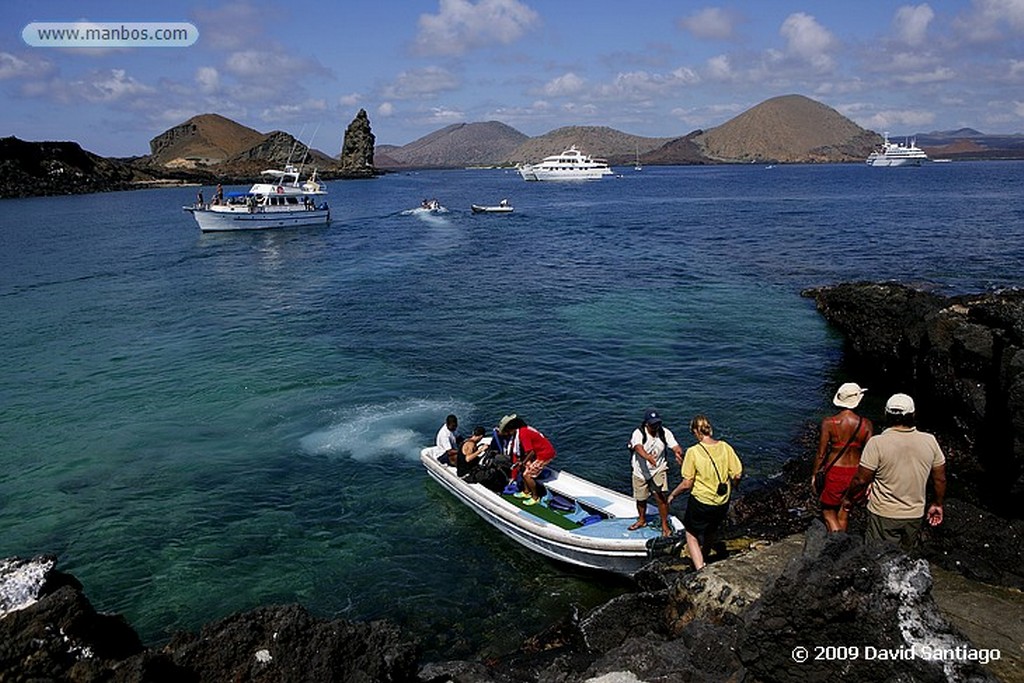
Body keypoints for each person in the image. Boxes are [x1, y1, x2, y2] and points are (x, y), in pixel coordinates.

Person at [842, 393, 946, 552]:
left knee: (878, 558)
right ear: (913, 414)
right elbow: (940, 479)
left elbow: (861, 480)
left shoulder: (877, 443)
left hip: (883, 513)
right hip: (914, 514)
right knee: (905, 560)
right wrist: (937, 503)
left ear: (886, 414)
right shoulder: (930, 441)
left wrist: (849, 498)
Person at [668, 414, 742, 571]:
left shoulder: (693, 452)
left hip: (701, 501)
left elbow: (687, 483)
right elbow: (737, 474)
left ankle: (700, 568)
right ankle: (705, 556)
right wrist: (734, 486)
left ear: (696, 431)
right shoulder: (725, 446)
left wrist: (673, 494)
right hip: (722, 500)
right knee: (711, 530)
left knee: (691, 534)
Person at [812, 382, 874, 532]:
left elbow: (821, 453)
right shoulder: (866, 424)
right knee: (845, 509)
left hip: (835, 471)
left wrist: (814, 474)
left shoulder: (829, 423)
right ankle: (842, 541)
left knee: (828, 511)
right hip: (857, 471)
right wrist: (871, 479)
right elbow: (871, 453)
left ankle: (836, 542)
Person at [627, 409, 683, 537]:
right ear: (646, 423)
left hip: (658, 469)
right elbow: (637, 447)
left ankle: (664, 525)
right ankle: (641, 520)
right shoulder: (638, 433)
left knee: (661, 497)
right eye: (652, 424)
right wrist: (647, 457)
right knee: (641, 498)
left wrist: (678, 452)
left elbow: (675, 446)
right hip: (640, 471)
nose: (655, 426)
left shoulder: (664, 432)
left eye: (657, 423)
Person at [501, 416, 555, 505]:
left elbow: (531, 452)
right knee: (523, 469)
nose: (509, 433)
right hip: (539, 453)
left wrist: (523, 462)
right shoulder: (524, 430)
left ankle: (535, 497)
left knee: (527, 475)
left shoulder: (523, 434)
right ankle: (526, 492)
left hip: (544, 455)